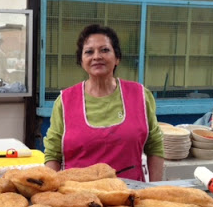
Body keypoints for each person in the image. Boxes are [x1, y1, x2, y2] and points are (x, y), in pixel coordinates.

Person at [44, 24, 164, 182]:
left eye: (105, 50)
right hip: (79, 197)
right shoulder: (65, 101)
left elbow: (155, 145)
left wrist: (155, 189)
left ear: (117, 58)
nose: (96, 56)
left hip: (129, 196)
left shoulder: (140, 96)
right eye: (89, 52)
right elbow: (53, 153)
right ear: (81, 60)